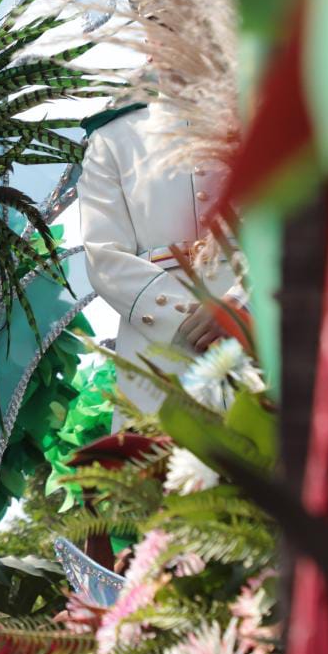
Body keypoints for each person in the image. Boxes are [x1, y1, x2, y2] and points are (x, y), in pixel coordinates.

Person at [78, 98, 245, 420]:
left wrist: (241, 303)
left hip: (261, 330)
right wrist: (178, 317)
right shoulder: (113, 136)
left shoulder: (264, 116)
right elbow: (104, 255)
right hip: (160, 349)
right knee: (161, 463)